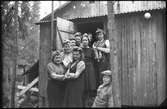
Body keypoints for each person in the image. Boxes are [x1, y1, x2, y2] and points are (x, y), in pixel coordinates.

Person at [81, 33, 97, 107]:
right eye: (83, 40)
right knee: (83, 84)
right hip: (82, 67)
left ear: (88, 41)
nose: (85, 41)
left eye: (86, 40)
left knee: (90, 83)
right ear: (81, 41)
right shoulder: (80, 50)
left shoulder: (91, 50)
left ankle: (90, 102)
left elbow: (95, 60)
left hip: (90, 67)